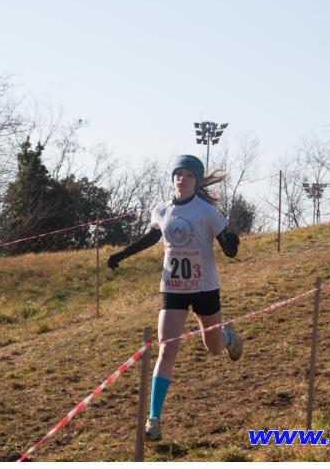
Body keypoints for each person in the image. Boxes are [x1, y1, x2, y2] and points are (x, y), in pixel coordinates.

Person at [107, 154, 242, 442]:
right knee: (167, 350)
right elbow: (151, 237)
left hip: (204, 288)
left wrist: (232, 244)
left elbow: (228, 248)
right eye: (179, 174)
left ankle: (229, 337)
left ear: (197, 181)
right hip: (173, 288)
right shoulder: (162, 210)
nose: (183, 178)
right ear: (173, 178)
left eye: (189, 175)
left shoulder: (207, 212)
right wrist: (122, 254)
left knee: (213, 347)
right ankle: (154, 419)